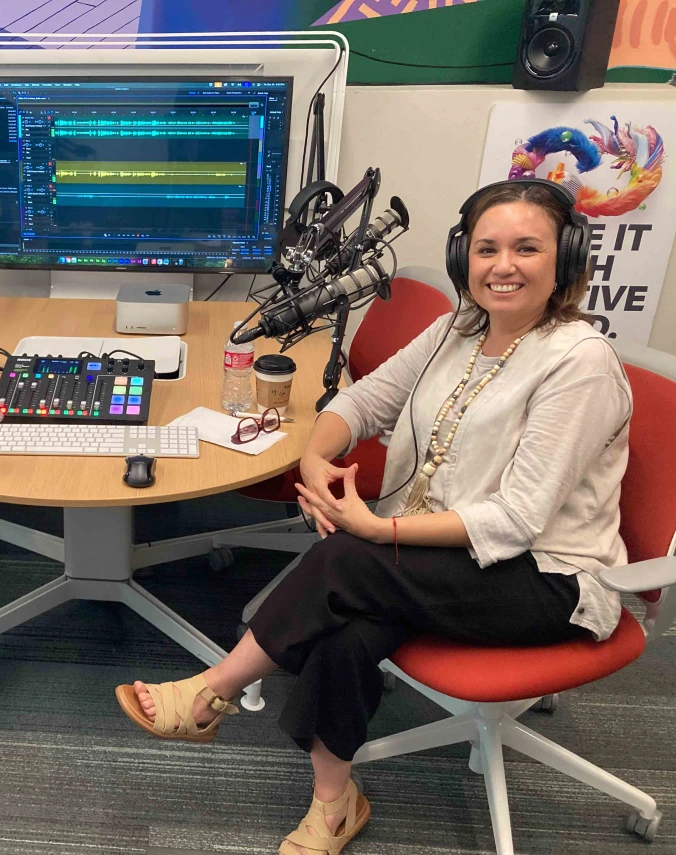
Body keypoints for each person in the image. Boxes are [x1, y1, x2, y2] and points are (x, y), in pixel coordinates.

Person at [116, 179, 632, 855]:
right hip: (440, 557)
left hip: (544, 576)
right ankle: (335, 804)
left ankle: (211, 691)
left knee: (347, 561)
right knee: (349, 624)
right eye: (487, 249)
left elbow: (514, 519)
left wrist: (375, 528)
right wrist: (314, 460)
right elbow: (361, 404)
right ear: (462, 260)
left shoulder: (579, 363)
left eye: (526, 248)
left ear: (565, 258)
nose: (503, 265)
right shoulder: (458, 328)